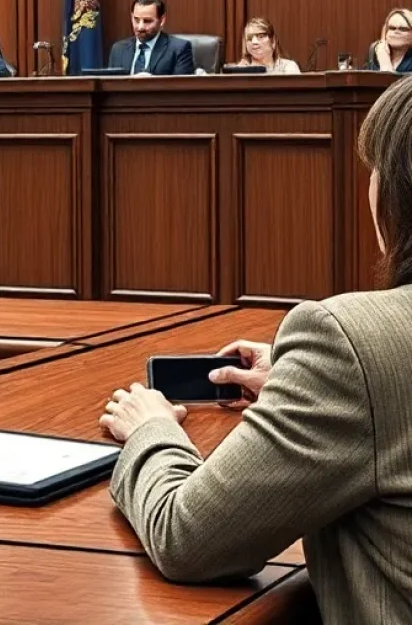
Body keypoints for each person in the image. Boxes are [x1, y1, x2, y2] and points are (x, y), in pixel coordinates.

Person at [99, 73, 412, 622]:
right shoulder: (357, 358)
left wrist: (152, 431)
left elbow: (187, 536)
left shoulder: (351, 341)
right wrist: (307, 387)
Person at [107, 0, 195, 75]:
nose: (140, 27)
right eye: (136, 20)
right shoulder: (118, 49)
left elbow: (181, 89)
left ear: (162, 20)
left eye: (147, 21)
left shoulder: (179, 49)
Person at [232, 17, 301, 74]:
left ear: (273, 41)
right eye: (249, 38)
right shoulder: (240, 70)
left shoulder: (288, 67)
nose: (254, 42)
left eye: (261, 36)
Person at [366, 7, 412, 73]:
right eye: (392, 28)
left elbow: (391, 82)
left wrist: (385, 62)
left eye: (403, 29)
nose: (396, 32)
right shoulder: (374, 52)